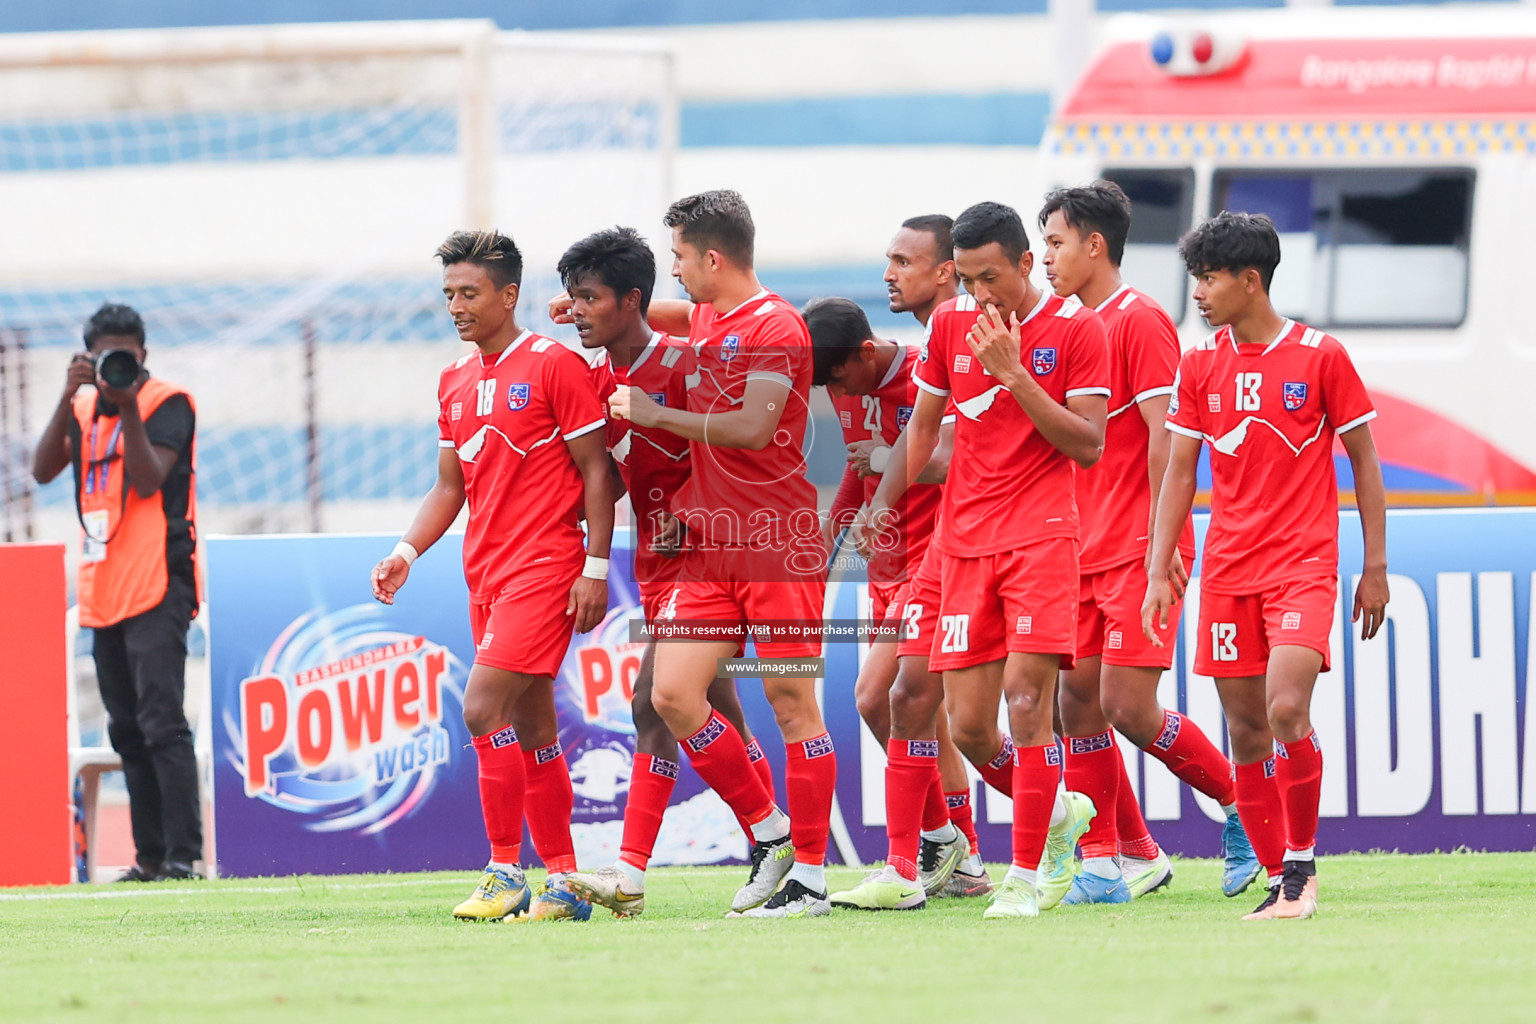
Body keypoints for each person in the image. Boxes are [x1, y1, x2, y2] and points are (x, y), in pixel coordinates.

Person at [857, 201, 1109, 919]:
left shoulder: (1076, 329)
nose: (981, 295)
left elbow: (1088, 445)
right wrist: (881, 503)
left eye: (991, 277)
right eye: (967, 280)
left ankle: (1025, 877)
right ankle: (909, 867)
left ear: (1028, 265)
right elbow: (924, 428)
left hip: (1039, 539)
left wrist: (1016, 374)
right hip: (958, 543)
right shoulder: (947, 324)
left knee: (1028, 706)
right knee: (950, 718)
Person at [1143, 211, 1388, 921]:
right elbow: (1180, 475)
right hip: (1226, 571)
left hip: (1303, 564)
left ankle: (1303, 870)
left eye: (1210, 278)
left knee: (1286, 707)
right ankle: (1281, 878)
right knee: (1245, 731)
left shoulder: (1320, 356)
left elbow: (1365, 464)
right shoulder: (1201, 363)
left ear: (1250, 281)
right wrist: (1161, 566)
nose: (1198, 291)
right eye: (1196, 277)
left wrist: (1375, 565)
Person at [370, 230, 616, 922]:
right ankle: (564, 882)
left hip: (546, 566)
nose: (456, 305)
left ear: (509, 295)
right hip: (486, 570)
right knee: (534, 726)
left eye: (469, 292)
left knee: (481, 709)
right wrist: (406, 551)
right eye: (449, 293)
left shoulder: (552, 366)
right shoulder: (453, 379)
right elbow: (449, 487)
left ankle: (505, 869)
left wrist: (595, 566)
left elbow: (598, 471)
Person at [607, 190, 834, 919]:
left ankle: (812, 879)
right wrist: (605, 307)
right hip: (710, 549)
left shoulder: (778, 326)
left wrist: (656, 413)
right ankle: (771, 833)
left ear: (712, 258)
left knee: (792, 706)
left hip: (776, 544)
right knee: (671, 695)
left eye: (677, 256)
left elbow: (753, 428)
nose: (673, 269)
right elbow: (663, 319)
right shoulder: (708, 314)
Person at [1039, 182, 1259, 905]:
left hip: (1139, 545)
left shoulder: (1138, 322)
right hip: (1081, 547)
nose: (1047, 257)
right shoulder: (1072, 326)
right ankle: (1107, 862)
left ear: (1094, 246)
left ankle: (1244, 809)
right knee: (1076, 702)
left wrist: (1162, 546)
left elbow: (1170, 441)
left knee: (1127, 705)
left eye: (1057, 242)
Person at [553, 226, 775, 916]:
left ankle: (653, 869)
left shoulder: (688, 363)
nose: (578, 311)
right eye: (571, 299)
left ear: (631, 300)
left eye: (589, 298)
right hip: (658, 559)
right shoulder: (596, 378)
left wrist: (691, 505)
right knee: (711, 714)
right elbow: (610, 474)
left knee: (656, 699)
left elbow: (739, 450)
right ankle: (764, 845)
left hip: (714, 556)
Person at [806, 294, 990, 906]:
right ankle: (963, 857)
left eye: (835, 377)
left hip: (935, 564)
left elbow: (963, 460)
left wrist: (886, 459)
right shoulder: (840, 381)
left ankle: (921, 855)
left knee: (877, 698)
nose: (835, 391)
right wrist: (824, 550)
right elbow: (857, 480)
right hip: (884, 569)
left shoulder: (925, 373)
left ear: (864, 352)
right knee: (925, 720)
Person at [32, 303, 202, 883]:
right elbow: (41, 470)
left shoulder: (166, 402)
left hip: (159, 583)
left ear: (144, 355)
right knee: (124, 728)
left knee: (162, 723)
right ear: (89, 356)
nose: (119, 365)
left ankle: (183, 857)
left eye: (128, 355)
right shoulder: (80, 408)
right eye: (108, 356)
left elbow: (150, 478)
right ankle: (149, 858)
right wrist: (66, 394)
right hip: (104, 588)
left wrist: (126, 401)